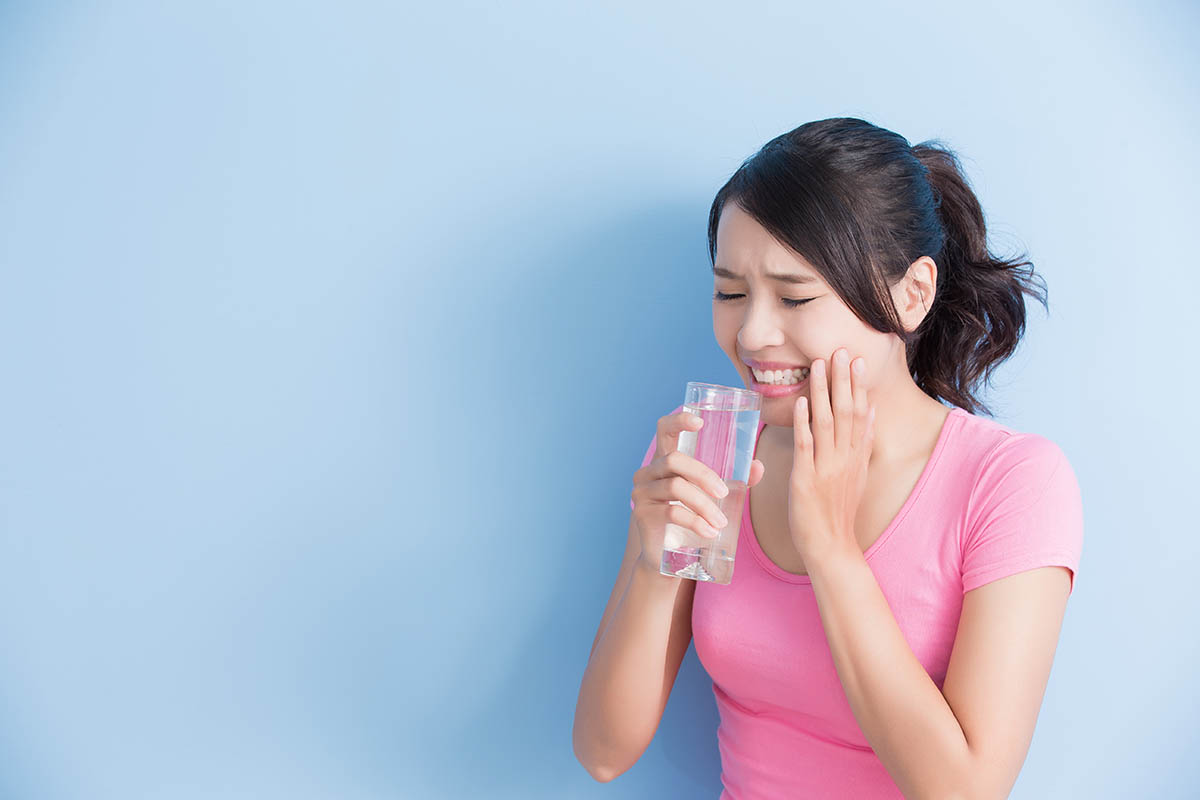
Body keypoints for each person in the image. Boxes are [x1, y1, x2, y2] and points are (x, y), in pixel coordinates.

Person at [572, 117, 1084, 798]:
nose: (752, 332)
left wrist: (831, 549)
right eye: (730, 292)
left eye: (795, 296)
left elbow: (965, 790)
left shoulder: (1011, 484)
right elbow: (603, 752)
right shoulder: (714, 448)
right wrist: (654, 558)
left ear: (912, 294)